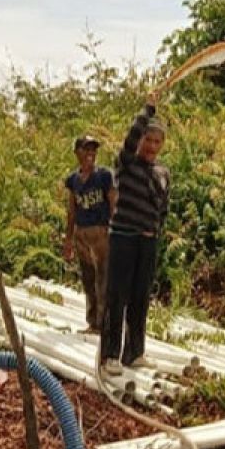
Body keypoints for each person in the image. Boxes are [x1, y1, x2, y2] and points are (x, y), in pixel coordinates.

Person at [99, 91, 171, 375]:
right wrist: (147, 111)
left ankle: (134, 352)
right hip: (124, 237)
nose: (151, 145)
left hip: (147, 240)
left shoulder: (163, 173)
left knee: (141, 297)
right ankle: (110, 355)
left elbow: (163, 209)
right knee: (118, 296)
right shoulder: (127, 163)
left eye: (156, 141)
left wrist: (155, 232)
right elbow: (129, 139)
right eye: (148, 140)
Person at [63, 135, 117, 333]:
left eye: (93, 150)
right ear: (77, 152)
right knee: (88, 279)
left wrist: (114, 229)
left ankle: (104, 324)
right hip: (82, 234)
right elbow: (72, 210)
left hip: (100, 232)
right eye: (86, 149)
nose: (90, 154)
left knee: (103, 279)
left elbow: (113, 202)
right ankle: (93, 321)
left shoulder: (104, 176)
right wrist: (68, 239)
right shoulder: (73, 180)